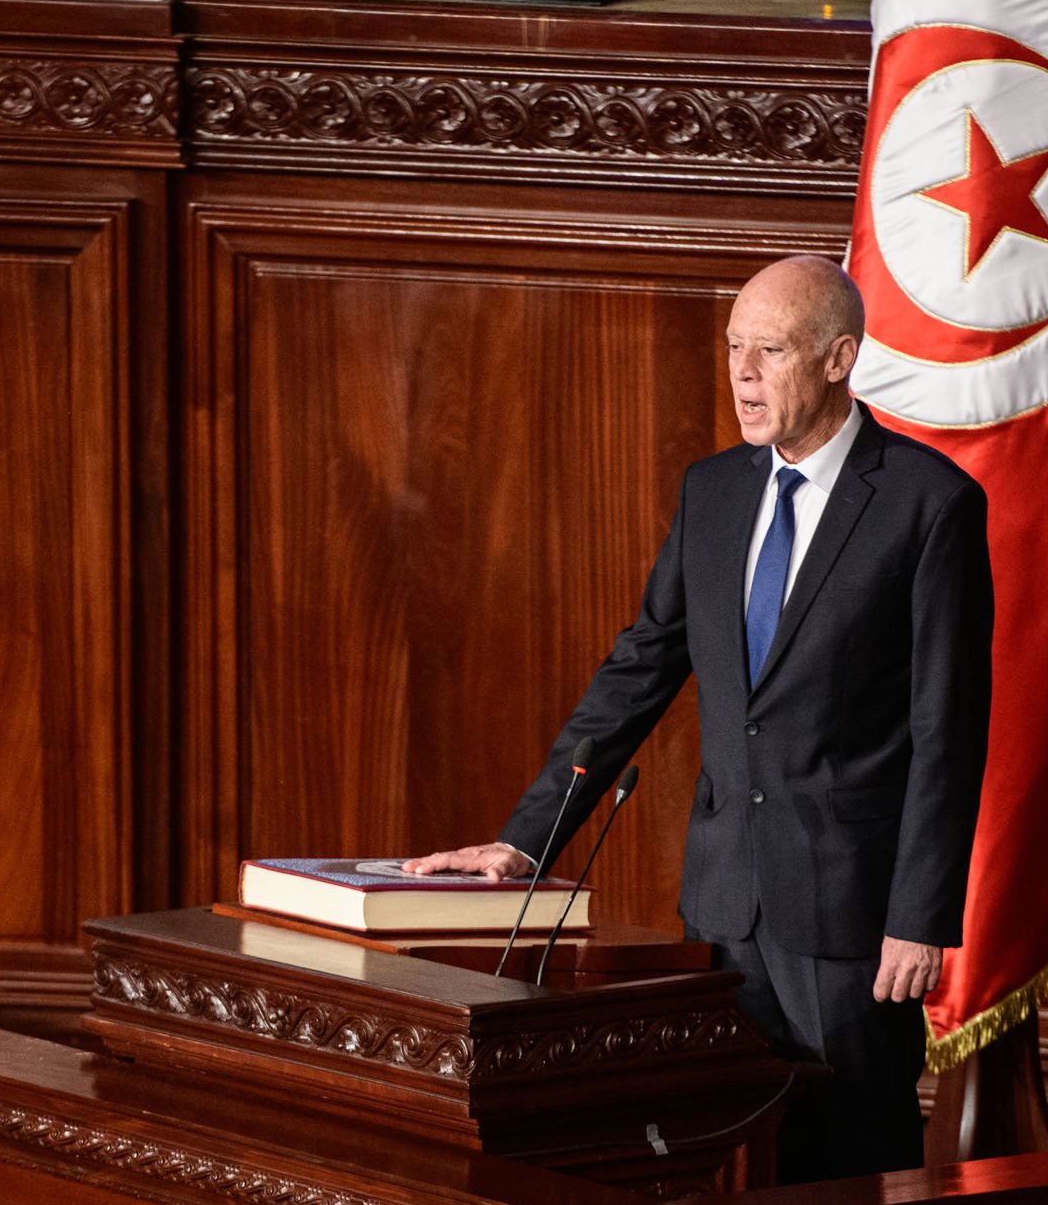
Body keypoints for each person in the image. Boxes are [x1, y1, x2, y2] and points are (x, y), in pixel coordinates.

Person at [403, 254, 992, 1179]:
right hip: (720, 907)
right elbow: (638, 669)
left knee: (853, 1160)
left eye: (771, 351)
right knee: (727, 1160)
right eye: (733, 348)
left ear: (840, 357)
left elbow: (946, 731)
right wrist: (527, 842)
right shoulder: (712, 492)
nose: (743, 375)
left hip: (850, 918)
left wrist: (919, 917)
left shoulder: (929, 505)